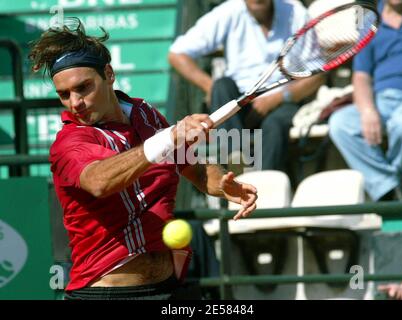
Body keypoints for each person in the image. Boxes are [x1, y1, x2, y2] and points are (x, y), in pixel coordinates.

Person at [28, 18, 258, 300]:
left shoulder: (144, 113)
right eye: (64, 95)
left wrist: (220, 183)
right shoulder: (70, 142)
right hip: (106, 295)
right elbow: (99, 181)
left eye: (83, 87)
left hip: (168, 288)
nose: (75, 103)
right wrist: (167, 137)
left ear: (109, 74)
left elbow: (192, 168)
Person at [168, 0, 324, 172]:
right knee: (221, 86)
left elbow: (317, 74)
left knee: (274, 124)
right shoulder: (228, 12)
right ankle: (235, 164)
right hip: (239, 101)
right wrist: (209, 86)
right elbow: (177, 54)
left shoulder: (298, 13)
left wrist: (276, 99)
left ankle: (263, 186)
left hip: (285, 102)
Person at [329, 0, 402, 201]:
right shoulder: (368, 20)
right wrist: (368, 110)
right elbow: (361, 76)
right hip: (382, 100)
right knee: (340, 124)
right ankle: (390, 189)